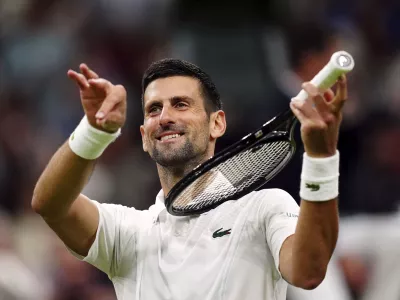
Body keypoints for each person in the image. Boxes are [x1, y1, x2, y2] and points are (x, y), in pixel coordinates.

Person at [32, 58, 347, 300]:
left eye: (181, 104)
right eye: (154, 109)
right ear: (143, 136)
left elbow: (308, 271)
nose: (165, 117)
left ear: (217, 124)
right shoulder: (128, 232)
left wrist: (321, 158)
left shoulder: (265, 207)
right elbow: (50, 204)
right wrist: (95, 132)